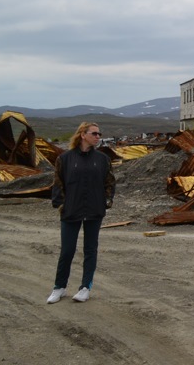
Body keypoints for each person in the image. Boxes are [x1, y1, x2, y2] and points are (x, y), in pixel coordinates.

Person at [46, 122, 115, 303]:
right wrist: (60, 204)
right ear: (83, 135)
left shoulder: (102, 159)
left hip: (94, 210)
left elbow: (109, 182)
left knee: (90, 250)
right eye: (94, 133)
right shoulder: (65, 159)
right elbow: (58, 182)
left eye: (99, 133)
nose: (98, 136)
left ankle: (85, 287)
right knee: (67, 251)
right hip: (71, 210)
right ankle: (59, 287)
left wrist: (107, 201)